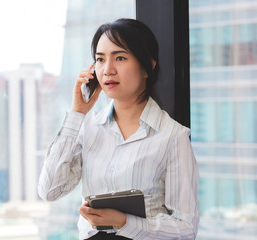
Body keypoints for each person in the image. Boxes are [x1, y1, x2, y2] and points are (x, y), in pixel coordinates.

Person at [38, 18, 199, 240]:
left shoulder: (173, 136)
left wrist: (124, 222)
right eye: (100, 60)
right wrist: (77, 114)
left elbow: (186, 228)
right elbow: (50, 191)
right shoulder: (88, 127)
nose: (108, 70)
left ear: (148, 66)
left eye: (120, 58)